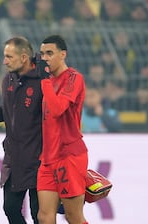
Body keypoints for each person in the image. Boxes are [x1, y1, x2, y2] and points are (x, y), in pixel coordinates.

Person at [0, 36, 42, 224]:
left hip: (39, 158)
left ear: (24, 58)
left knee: (39, 213)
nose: (4, 61)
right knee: (10, 208)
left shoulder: (43, 81)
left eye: (9, 57)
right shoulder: (8, 80)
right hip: (15, 158)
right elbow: (9, 111)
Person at [37, 34, 89, 224]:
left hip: (69, 156)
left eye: (49, 53)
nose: (45, 58)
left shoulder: (74, 78)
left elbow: (58, 109)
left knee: (73, 216)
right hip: (48, 158)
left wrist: (45, 82)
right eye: (42, 54)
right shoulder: (48, 81)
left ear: (63, 54)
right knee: (44, 216)